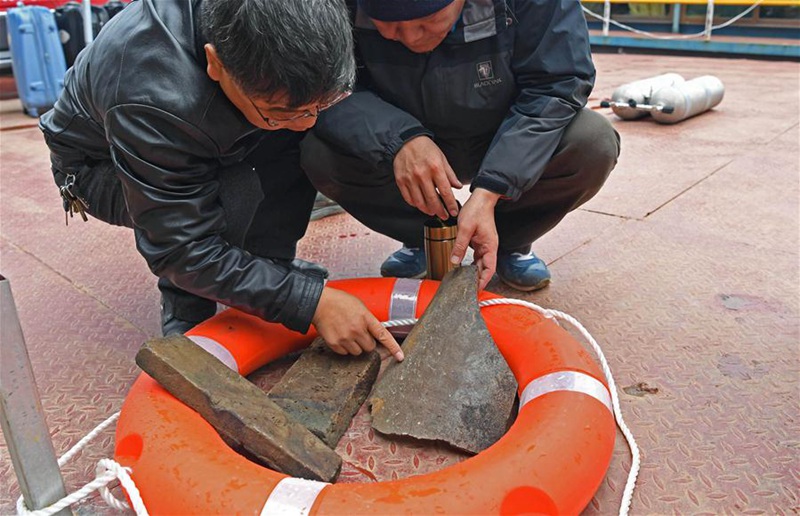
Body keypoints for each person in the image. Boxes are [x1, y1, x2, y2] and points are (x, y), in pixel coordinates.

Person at [39, 0, 403, 361]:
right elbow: (181, 246)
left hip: (200, 125)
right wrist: (308, 303)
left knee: (298, 136)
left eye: (316, 107)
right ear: (215, 63)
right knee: (236, 187)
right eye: (283, 111)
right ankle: (186, 306)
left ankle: (267, 268)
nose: (308, 121)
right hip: (98, 171)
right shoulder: (153, 96)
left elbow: (298, 113)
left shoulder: (277, 58)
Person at [301, 0, 620, 292]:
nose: (411, 38)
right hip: (399, 138)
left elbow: (557, 83)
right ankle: (423, 237)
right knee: (315, 149)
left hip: (499, 134)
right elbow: (328, 86)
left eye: (428, 21)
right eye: (390, 26)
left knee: (592, 143)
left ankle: (509, 240)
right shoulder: (337, 4)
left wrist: (493, 188)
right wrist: (398, 140)